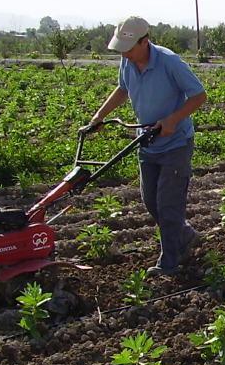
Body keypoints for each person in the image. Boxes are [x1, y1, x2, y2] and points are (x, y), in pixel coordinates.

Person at [84, 16, 207, 276]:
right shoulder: (127, 61)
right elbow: (122, 89)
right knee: (150, 200)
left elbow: (199, 95)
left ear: (145, 42)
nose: (124, 54)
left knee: (168, 204)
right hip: (147, 142)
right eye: (121, 50)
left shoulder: (169, 62)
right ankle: (184, 235)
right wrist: (99, 117)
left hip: (176, 143)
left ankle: (170, 262)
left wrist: (172, 120)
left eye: (128, 49)